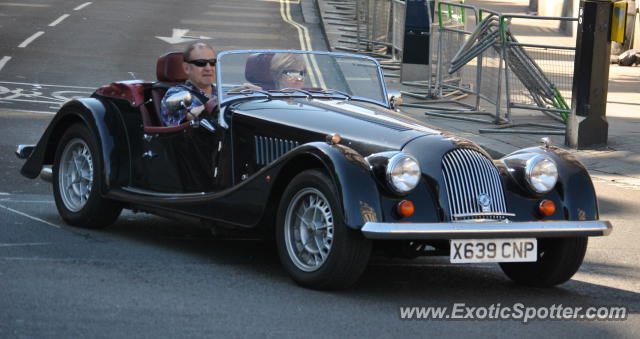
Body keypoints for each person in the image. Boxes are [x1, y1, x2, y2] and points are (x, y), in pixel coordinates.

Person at [160, 42, 217, 126]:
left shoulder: (222, 92)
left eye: (212, 62)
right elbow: (188, 117)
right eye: (201, 63)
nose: (209, 68)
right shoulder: (176, 93)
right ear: (186, 68)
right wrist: (218, 104)